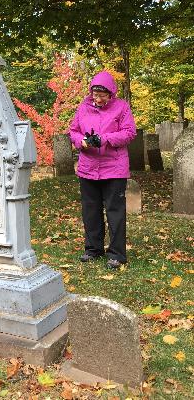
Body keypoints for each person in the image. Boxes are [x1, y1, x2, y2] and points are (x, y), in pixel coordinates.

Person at [69, 71, 137, 269]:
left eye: (102, 95)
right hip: (88, 167)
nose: (97, 99)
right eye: (95, 95)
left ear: (111, 93)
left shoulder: (121, 107)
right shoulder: (83, 107)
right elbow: (73, 130)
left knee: (115, 211)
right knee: (90, 210)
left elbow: (129, 132)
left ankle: (116, 254)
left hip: (114, 168)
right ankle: (93, 249)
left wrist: (105, 139)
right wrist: (80, 141)